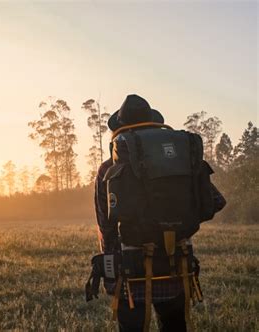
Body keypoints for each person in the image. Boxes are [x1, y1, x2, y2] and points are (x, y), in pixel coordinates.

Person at [94, 94, 226, 332]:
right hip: (176, 264)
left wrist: (112, 275)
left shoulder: (108, 169)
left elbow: (106, 225)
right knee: (174, 326)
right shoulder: (181, 161)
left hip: (130, 272)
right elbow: (215, 202)